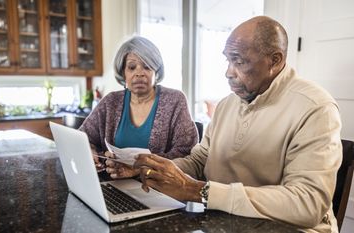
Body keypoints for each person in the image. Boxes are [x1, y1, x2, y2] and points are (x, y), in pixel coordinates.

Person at [127, 16, 342, 232]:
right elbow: (201, 161)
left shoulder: (315, 107)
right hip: (226, 223)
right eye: (227, 60)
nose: (228, 72)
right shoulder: (226, 105)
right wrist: (150, 170)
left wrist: (198, 191)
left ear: (275, 60)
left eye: (239, 61)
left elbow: (306, 203)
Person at [79, 36, 198, 178]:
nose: (139, 73)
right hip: (115, 183)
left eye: (147, 66)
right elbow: (83, 137)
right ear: (123, 72)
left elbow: (186, 152)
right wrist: (91, 151)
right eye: (131, 67)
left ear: (156, 71)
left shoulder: (175, 100)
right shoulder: (110, 102)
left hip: (158, 187)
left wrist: (141, 167)